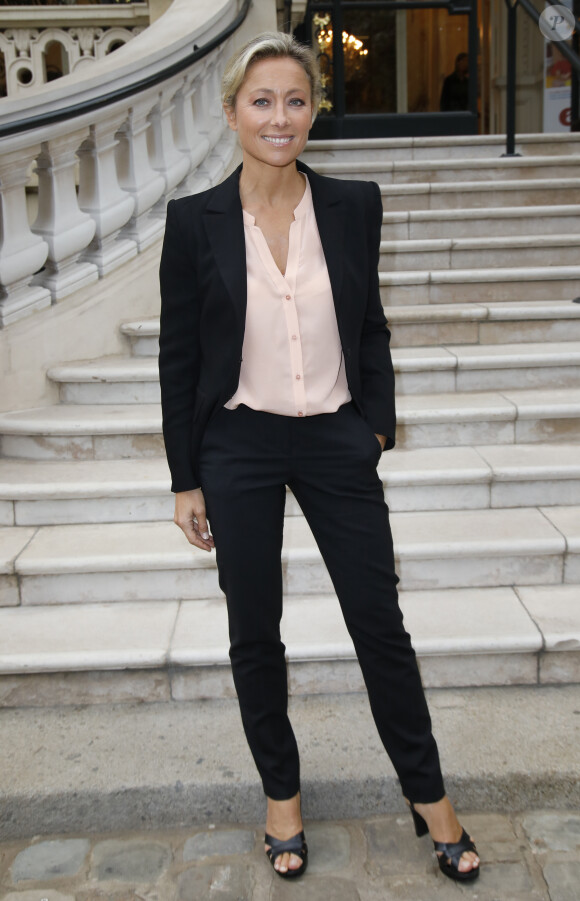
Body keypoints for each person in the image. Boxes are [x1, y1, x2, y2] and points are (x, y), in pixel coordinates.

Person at [158, 31, 480, 883]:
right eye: (261, 101)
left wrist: (375, 425)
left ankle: (431, 797)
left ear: (313, 112)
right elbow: (179, 355)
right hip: (238, 443)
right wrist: (186, 476)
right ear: (231, 114)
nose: (279, 116)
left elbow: (369, 323)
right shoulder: (193, 222)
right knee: (254, 631)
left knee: (380, 624)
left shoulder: (353, 204)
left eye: (295, 100)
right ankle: (282, 799)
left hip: (336, 436)